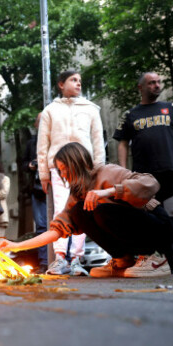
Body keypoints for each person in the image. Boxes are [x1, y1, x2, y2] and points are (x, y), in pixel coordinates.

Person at [0, 142, 173, 278]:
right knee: (79, 211)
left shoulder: (108, 171)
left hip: (157, 227)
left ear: (75, 164)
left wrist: (110, 191)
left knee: (102, 210)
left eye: (63, 169)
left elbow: (151, 183)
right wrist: (16, 246)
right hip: (135, 230)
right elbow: (56, 230)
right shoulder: (77, 193)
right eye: (60, 171)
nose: (63, 175)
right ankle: (123, 260)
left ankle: (155, 258)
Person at [113, 72, 173, 274]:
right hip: (145, 180)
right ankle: (165, 263)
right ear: (141, 87)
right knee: (152, 220)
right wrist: (123, 172)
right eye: (151, 83)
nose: (156, 85)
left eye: (158, 82)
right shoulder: (130, 115)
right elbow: (122, 143)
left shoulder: (172, 108)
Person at [37, 70, 105, 276]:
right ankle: (59, 259)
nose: (78, 84)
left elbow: (98, 141)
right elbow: (43, 143)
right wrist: (43, 173)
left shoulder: (91, 109)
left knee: (82, 209)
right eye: (73, 80)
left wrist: (99, 170)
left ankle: (76, 260)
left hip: (85, 168)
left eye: (80, 81)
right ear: (61, 84)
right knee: (60, 210)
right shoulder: (50, 110)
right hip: (59, 169)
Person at [23, 113, 48, 273]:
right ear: (36, 124)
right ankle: (44, 262)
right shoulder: (31, 143)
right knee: (41, 227)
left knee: (61, 224)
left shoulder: (56, 140)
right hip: (38, 189)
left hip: (55, 188)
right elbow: (23, 164)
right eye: (41, 120)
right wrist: (31, 166)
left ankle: (64, 261)